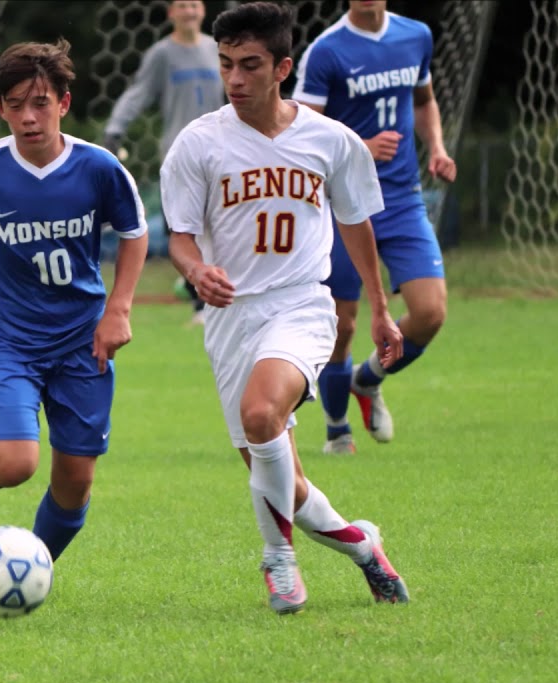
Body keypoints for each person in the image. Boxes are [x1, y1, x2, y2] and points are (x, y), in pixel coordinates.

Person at [160, 0, 409, 614]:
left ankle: (277, 560)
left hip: (301, 306)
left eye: (250, 65)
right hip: (229, 320)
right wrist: (195, 271)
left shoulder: (332, 141)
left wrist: (378, 310)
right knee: (283, 481)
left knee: (260, 411)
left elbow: (356, 225)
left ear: (283, 67)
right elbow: (181, 236)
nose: (235, 80)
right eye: (226, 65)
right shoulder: (199, 144)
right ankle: (364, 548)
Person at [0, 39, 149, 562]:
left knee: (76, 482)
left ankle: (29, 567)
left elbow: (134, 232)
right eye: (15, 105)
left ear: (64, 103)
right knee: (13, 466)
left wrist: (119, 309)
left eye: (40, 103)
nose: (28, 117)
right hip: (8, 337)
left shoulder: (99, 168)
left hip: (81, 337)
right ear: (0, 109)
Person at [292, 0, 457, 455]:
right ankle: (337, 429)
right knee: (342, 327)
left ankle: (367, 381)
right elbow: (302, 133)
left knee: (430, 312)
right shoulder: (326, 51)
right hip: (342, 202)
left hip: (402, 197)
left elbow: (424, 101)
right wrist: (362, 146)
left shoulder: (415, 35)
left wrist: (437, 148)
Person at [103, 0, 224, 326]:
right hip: (179, 153)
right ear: (171, 13)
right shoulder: (162, 54)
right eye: (182, 6)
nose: (188, 11)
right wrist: (115, 130)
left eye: (194, 5)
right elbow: (138, 93)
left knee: (220, 225)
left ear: (203, 11)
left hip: (220, 150)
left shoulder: (218, 49)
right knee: (184, 228)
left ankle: (206, 292)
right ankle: (199, 304)